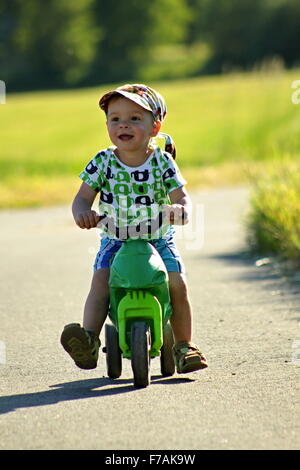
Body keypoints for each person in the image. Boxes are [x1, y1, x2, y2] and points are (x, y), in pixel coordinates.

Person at [60, 84, 208, 374]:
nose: (123, 124)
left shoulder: (162, 162)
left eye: (135, 118)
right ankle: (89, 340)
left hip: (157, 239)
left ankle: (184, 345)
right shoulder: (102, 162)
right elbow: (82, 198)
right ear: (107, 125)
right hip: (115, 239)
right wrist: (83, 213)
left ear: (155, 126)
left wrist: (181, 211)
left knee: (177, 285)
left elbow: (181, 197)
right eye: (115, 119)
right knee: (101, 283)